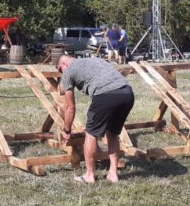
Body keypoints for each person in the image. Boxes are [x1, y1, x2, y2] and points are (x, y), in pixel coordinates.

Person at [57, 54, 135, 184]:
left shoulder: (68, 72)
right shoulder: (94, 59)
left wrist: (66, 130)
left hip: (106, 94)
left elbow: (70, 107)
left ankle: (89, 175)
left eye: (60, 70)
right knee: (113, 133)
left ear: (64, 64)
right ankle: (113, 174)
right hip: (127, 93)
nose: (61, 74)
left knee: (91, 134)